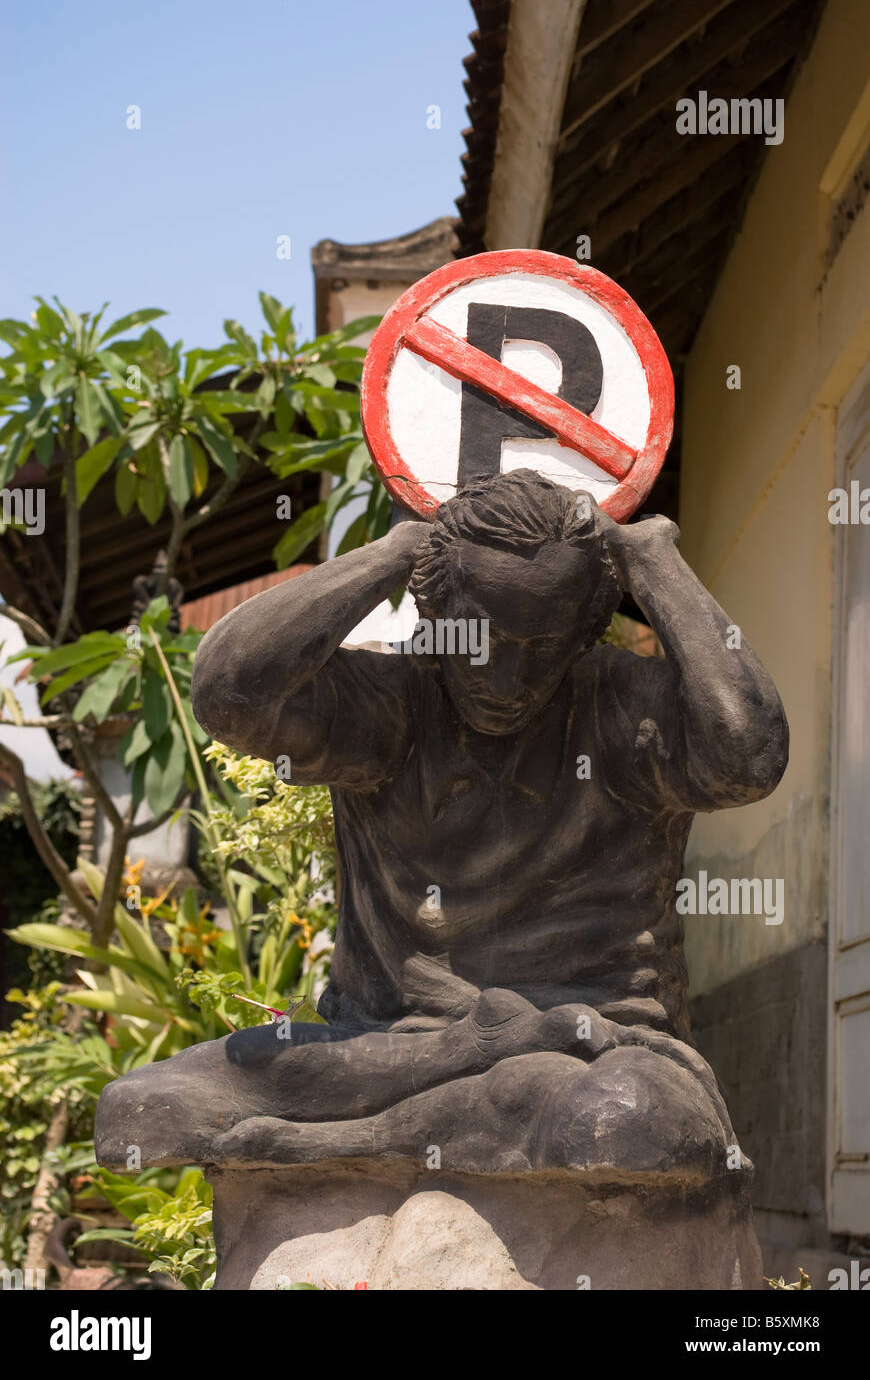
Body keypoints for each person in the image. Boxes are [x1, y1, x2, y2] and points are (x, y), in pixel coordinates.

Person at [96, 470, 788, 1175]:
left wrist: (651, 559)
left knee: (618, 1125)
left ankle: (358, 1143)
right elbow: (228, 694)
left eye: (542, 647)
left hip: (595, 1050)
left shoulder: (619, 708)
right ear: (436, 610)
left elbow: (749, 757)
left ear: (582, 632)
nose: (510, 677)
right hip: (393, 1051)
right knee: (142, 1109)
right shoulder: (391, 708)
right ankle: (421, 1114)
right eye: (483, 638)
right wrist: (397, 552)